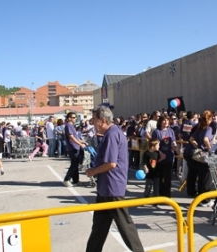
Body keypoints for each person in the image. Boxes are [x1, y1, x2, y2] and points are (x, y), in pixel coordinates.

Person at [85, 106, 144, 252]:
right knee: (99, 228)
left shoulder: (112, 134)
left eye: (94, 120)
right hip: (105, 189)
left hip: (112, 188)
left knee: (125, 226)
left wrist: (93, 171)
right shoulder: (110, 134)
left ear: (103, 120)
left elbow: (111, 163)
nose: (93, 123)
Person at [187, 110, 214, 206]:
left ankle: (200, 197)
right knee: (206, 177)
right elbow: (206, 139)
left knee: (200, 176)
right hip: (205, 155)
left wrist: (197, 146)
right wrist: (210, 149)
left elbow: (191, 139)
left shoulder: (199, 128)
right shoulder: (208, 129)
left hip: (198, 155)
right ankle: (204, 199)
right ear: (209, 119)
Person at [152, 114, 177, 198]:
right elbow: (153, 144)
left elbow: (173, 141)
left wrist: (174, 146)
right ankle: (158, 194)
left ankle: (167, 195)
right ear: (160, 121)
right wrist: (160, 153)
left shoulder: (171, 131)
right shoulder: (156, 131)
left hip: (169, 157)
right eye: (164, 120)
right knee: (159, 177)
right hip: (160, 158)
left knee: (167, 177)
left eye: (167, 120)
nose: (166, 122)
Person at [63, 113, 86, 187]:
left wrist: (82, 142)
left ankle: (76, 181)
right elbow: (71, 137)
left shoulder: (72, 126)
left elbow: (75, 137)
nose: (75, 118)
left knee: (76, 165)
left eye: (75, 117)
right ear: (69, 118)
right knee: (74, 165)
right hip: (73, 148)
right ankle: (67, 179)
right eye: (73, 117)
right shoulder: (68, 126)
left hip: (76, 147)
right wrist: (80, 144)